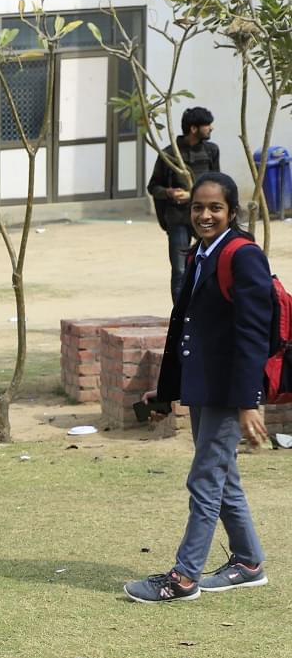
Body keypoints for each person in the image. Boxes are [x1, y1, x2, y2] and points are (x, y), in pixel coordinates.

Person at [124, 172, 273, 603]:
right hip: (203, 387)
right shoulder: (200, 254)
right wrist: (166, 392)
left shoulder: (242, 255)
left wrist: (249, 402)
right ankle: (247, 562)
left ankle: (184, 577)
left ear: (231, 211)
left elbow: (252, 334)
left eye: (215, 208)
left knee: (205, 478)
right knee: (221, 478)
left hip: (229, 392)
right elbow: (182, 327)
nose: (205, 215)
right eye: (198, 208)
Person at [148, 107, 220, 302]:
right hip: (178, 218)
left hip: (206, 218)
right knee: (180, 269)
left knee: (212, 263)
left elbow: (217, 183)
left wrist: (193, 195)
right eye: (207, 125)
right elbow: (153, 187)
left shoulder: (211, 151)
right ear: (194, 128)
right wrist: (168, 193)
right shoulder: (169, 154)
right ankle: (180, 317)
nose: (211, 128)